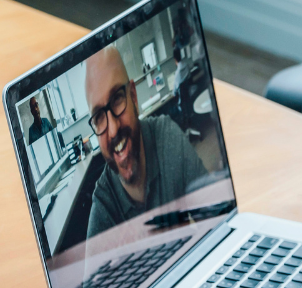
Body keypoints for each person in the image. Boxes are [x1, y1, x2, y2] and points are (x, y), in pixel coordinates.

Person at [84, 45, 209, 238]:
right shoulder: (105, 208)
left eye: (117, 98)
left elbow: (214, 215)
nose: (114, 128)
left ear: (133, 96)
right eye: (99, 116)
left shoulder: (167, 138)